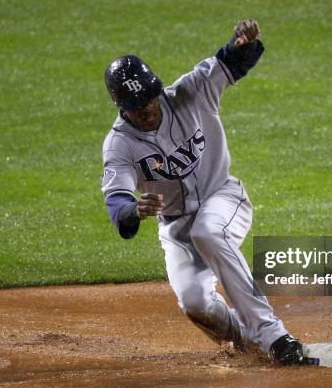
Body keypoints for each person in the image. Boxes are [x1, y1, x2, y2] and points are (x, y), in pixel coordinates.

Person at [101, 19, 305, 365]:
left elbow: (227, 63)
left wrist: (241, 44)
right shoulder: (119, 144)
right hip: (176, 226)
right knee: (194, 302)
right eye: (138, 106)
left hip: (224, 197)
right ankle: (248, 341)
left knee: (208, 231)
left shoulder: (189, 93)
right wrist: (133, 210)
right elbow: (116, 200)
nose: (148, 108)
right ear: (123, 108)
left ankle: (273, 334)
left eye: (150, 98)